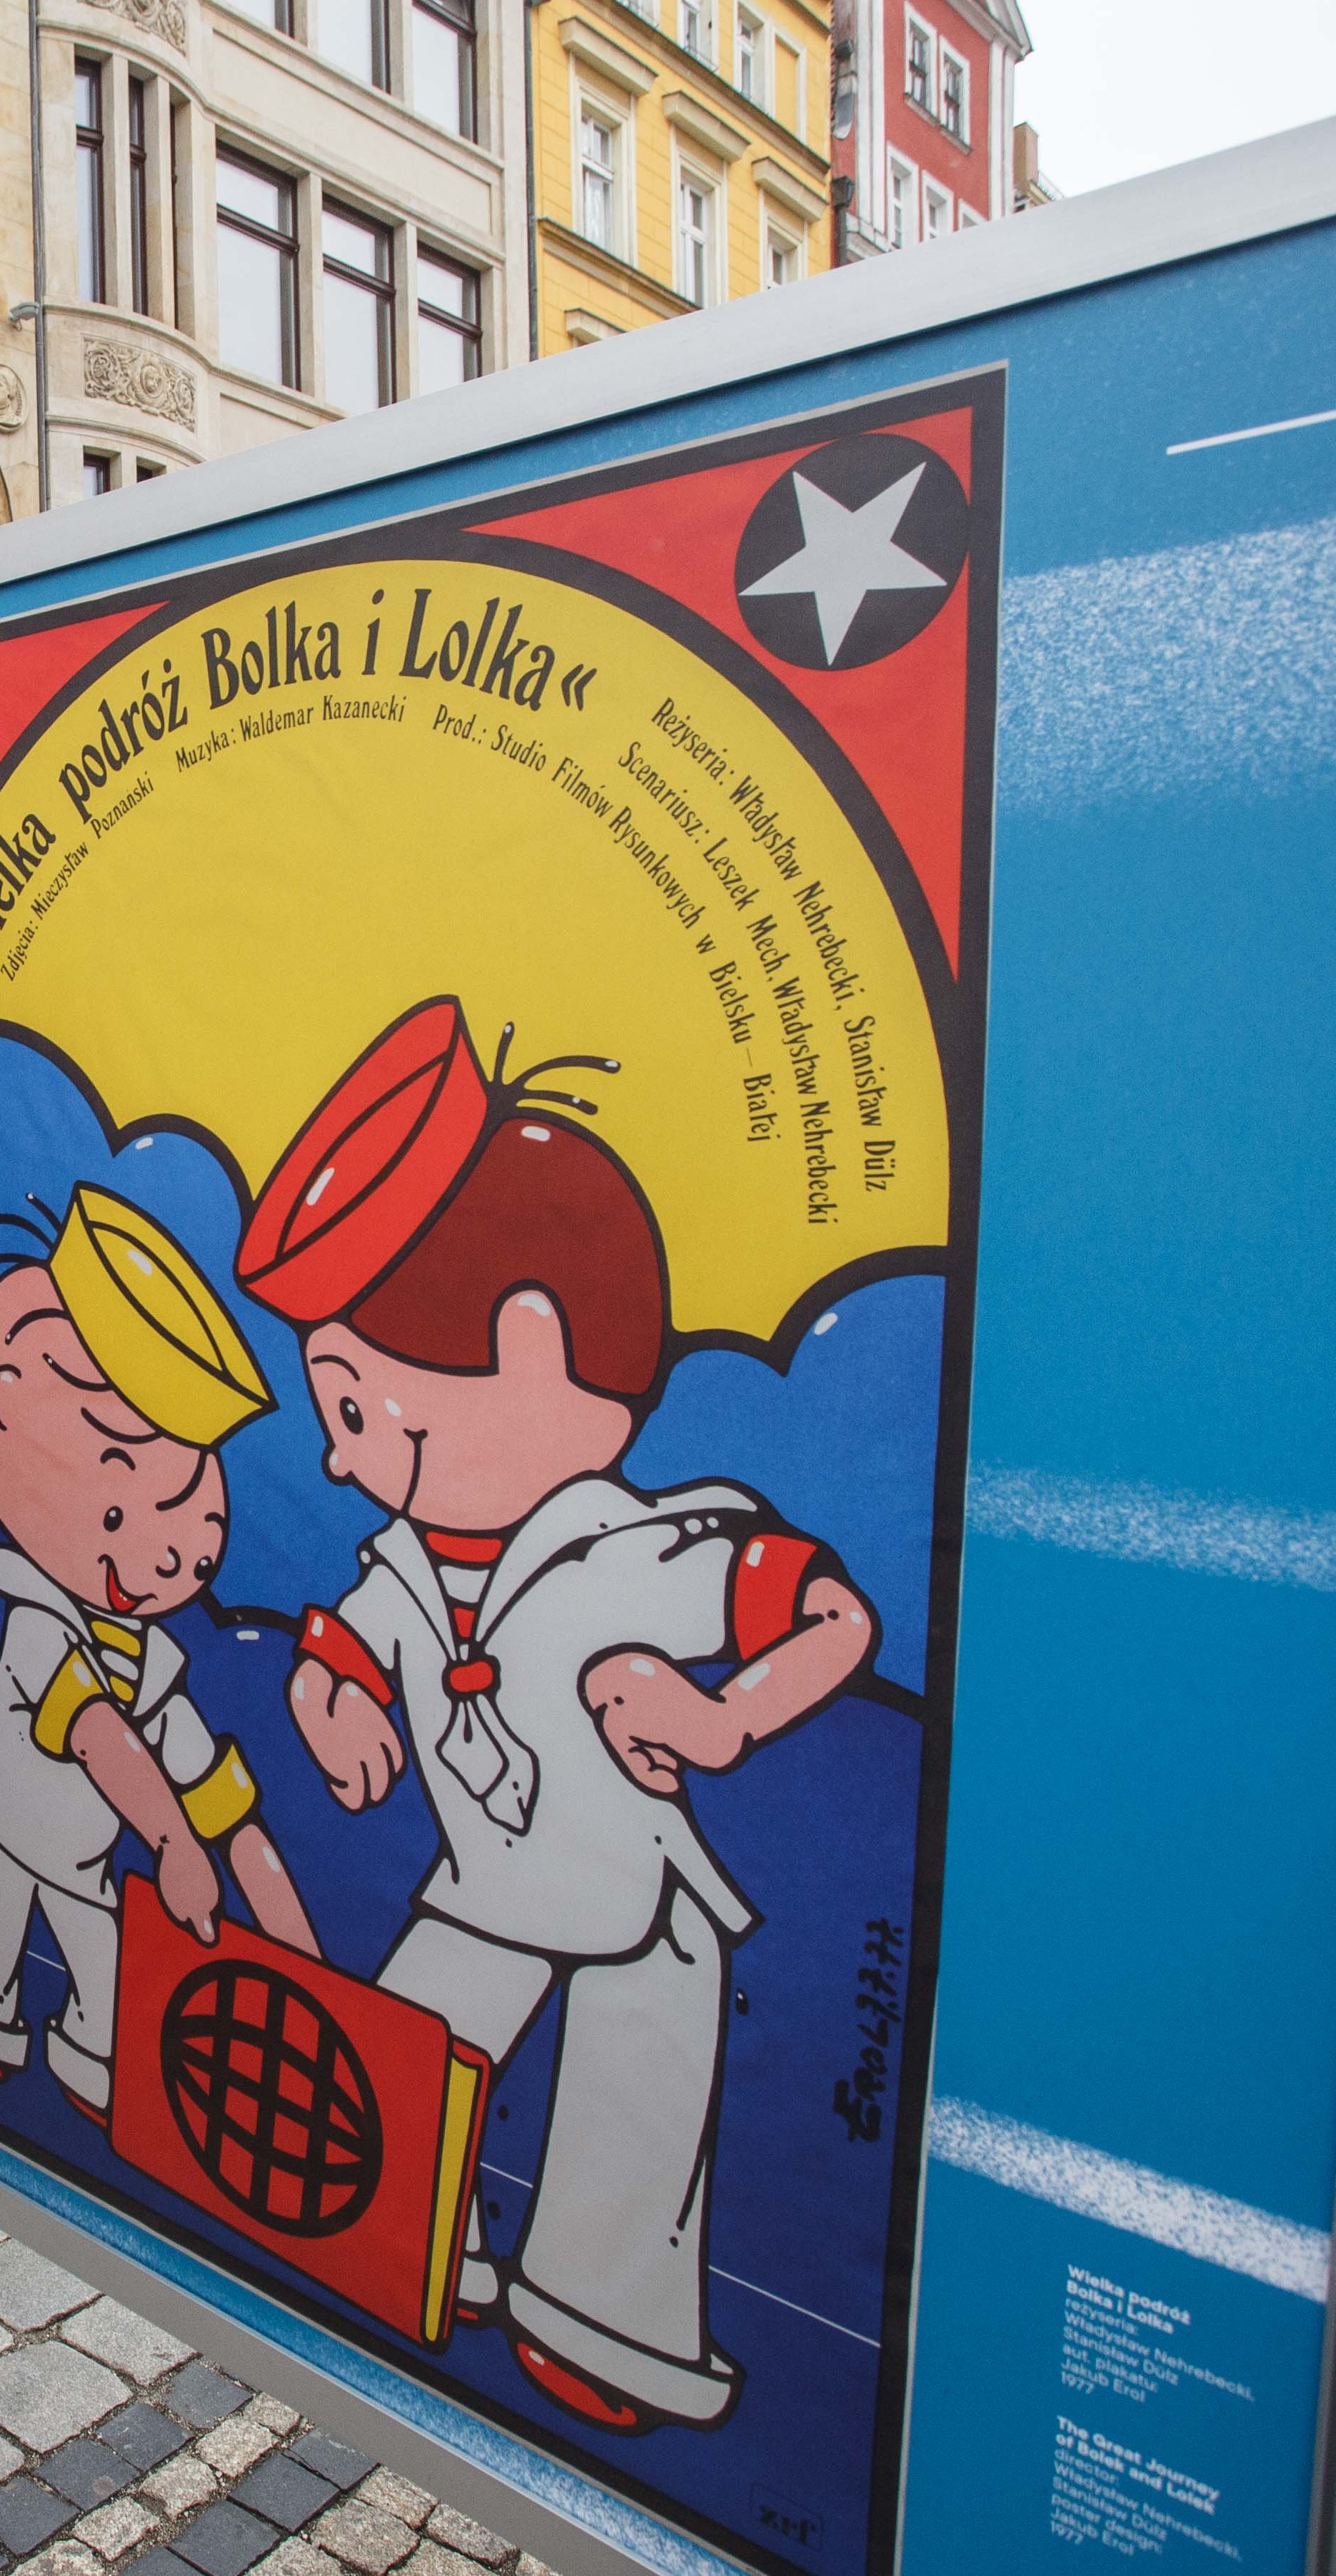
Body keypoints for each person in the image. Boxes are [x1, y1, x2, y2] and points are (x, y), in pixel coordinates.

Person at [237, 998, 873, 2435]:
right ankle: (431, 2252)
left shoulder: (640, 1555)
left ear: (529, 1352)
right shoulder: (411, 1563)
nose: (335, 1462)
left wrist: (722, 1722)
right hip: (488, 1884)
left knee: (634, 2114)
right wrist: (327, 1699)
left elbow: (835, 1618)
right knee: (407, 2058)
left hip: (641, 1901)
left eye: (357, 1410)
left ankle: (604, 2326)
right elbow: (342, 1646)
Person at [0, 1185, 321, 2120]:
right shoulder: (38, 1622)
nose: (170, 1560)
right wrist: (174, 1843)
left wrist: (296, 1952)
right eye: (120, 1516)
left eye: (195, 1541)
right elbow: (99, 1732)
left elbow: (221, 1800)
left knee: (107, 1972)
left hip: (85, 1853)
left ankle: (89, 2062)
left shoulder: (155, 1666)